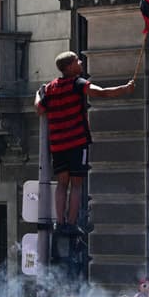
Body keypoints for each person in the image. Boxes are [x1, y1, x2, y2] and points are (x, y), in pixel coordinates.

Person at [34, 50, 135, 233]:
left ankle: (60, 222)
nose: (81, 63)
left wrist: (37, 94)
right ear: (70, 66)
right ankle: (71, 224)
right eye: (77, 61)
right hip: (76, 143)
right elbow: (102, 93)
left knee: (62, 184)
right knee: (77, 184)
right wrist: (125, 89)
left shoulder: (50, 88)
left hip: (57, 146)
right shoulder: (78, 84)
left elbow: (39, 108)